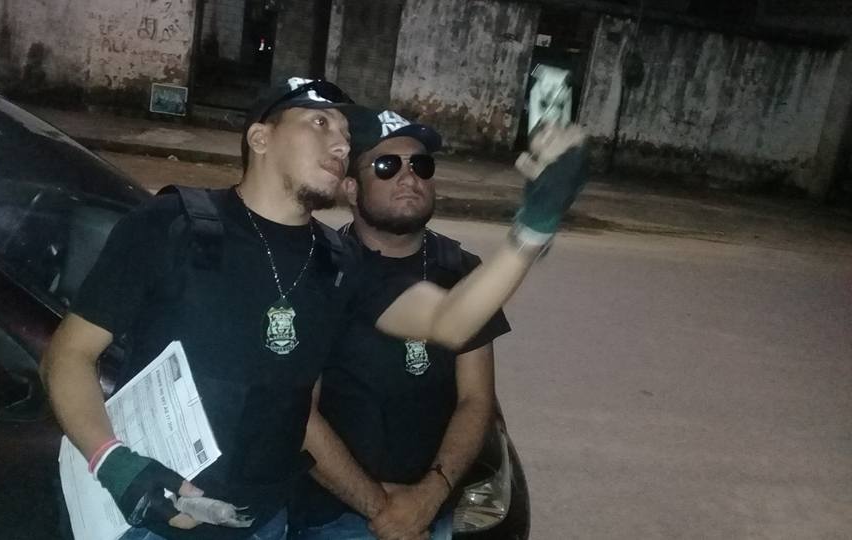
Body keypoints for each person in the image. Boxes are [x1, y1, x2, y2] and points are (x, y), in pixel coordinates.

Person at [40, 77, 587, 540]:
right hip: (151, 515)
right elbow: (68, 355)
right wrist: (115, 463)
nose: (340, 142)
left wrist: (534, 226)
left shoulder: (339, 261)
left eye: (345, 133)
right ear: (261, 137)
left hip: (266, 522)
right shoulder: (172, 224)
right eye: (319, 123)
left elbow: (451, 320)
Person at [290, 110, 510, 540]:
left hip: (431, 515)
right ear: (351, 188)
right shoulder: (316, 270)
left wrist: (429, 496)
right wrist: (383, 510)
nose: (409, 177)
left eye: (420, 165)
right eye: (387, 165)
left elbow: (476, 399)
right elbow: (298, 413)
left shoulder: (463, 272)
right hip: (331, 515)